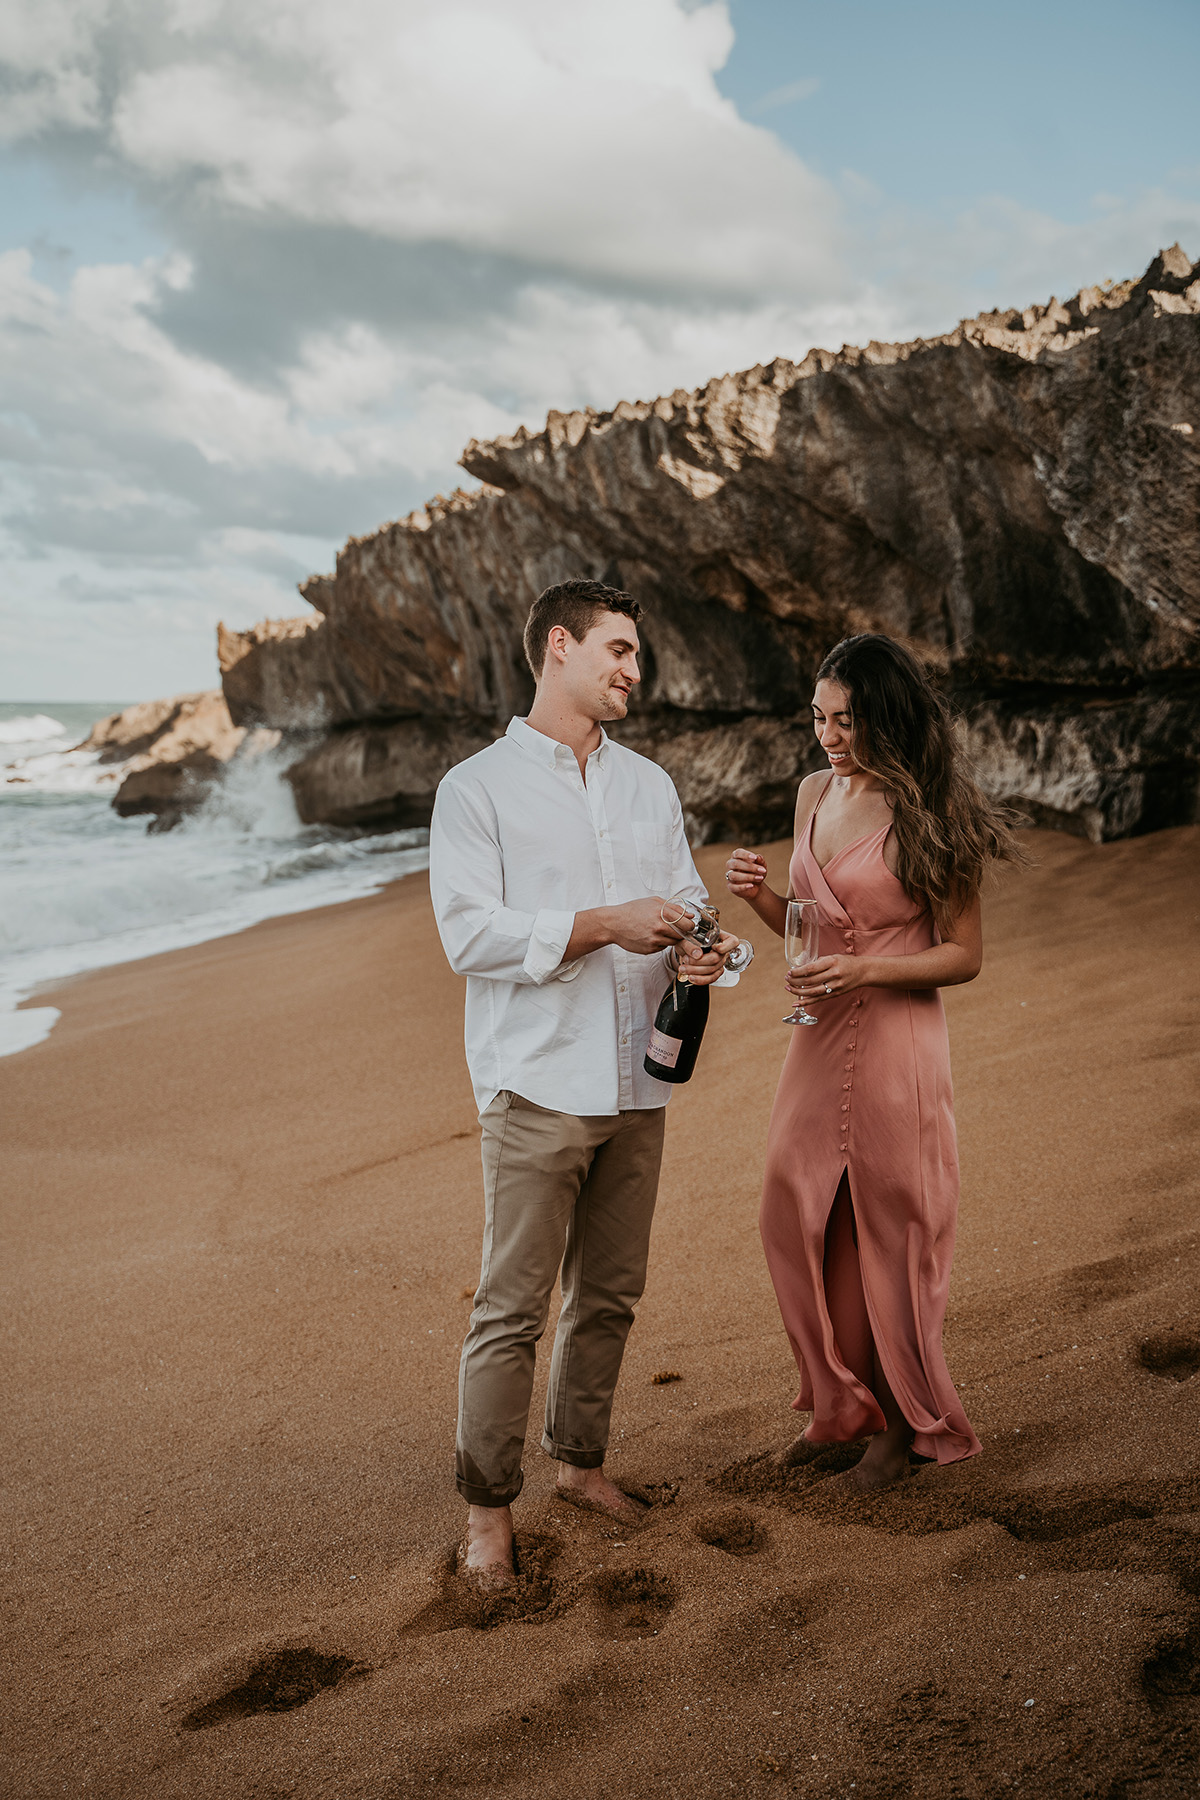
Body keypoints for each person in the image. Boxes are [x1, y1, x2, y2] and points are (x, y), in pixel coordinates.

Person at [429, 578, 737, 1590]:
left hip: (639, 1081)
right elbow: (467, 934)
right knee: (511, 1309)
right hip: (536, 1086)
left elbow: (691, 906)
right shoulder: (474, 790)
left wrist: (709, 953)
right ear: (557, 645)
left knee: (609, 1295)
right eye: (616, 650)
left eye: (637, 655)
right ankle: (486, 1514)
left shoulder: (649, 784)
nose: (631, 670)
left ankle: (582, 1466)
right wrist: (604, 924)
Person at [726, 633, 1024, 1490]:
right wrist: (760, 899)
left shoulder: (933, 807)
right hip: (818, 1032)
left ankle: (898, 1433)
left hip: (897, 1040)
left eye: (847, 719)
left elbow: (963, 955)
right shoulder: (813, 792)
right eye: (818, 717)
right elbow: (808, 933)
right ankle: (838, 1406)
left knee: (885, 1233)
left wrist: (866, 969)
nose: (828, 735)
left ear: (884, 716)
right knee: (793, 1212)